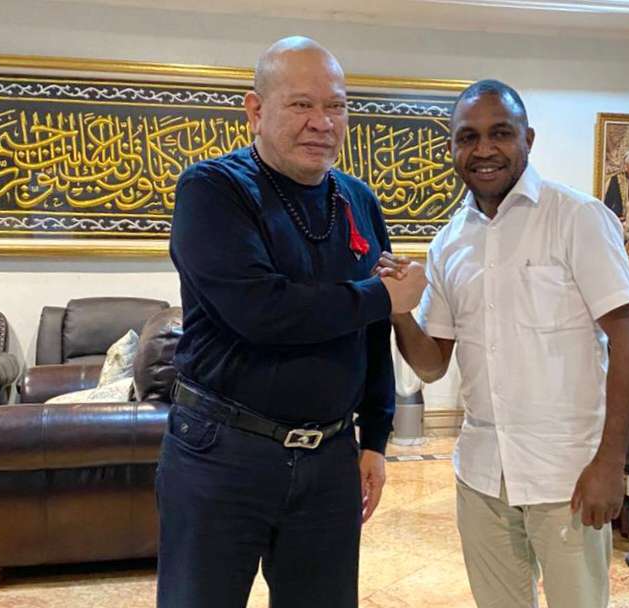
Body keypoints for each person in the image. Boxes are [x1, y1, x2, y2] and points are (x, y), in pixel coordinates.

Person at [158, 36, 426, 608]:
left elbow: (372, 331)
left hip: (330, 457)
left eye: (336, 106)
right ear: (256, 110)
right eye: (301, 104)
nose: (322, 123)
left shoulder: (358, 200)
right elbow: (262, 312)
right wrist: (381, 296)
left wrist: (376, 439)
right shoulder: (212, 190)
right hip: (221, 452)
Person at [381, 79, 629, 608]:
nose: (484, 149)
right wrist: (399, 310)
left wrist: (610, 462)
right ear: (452, 147)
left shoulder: (576, 217)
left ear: (528, 138)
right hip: (481, 475)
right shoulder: (450, 242)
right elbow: (432, 366)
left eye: (500, 133)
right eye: (468, 137)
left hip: (568, 474)